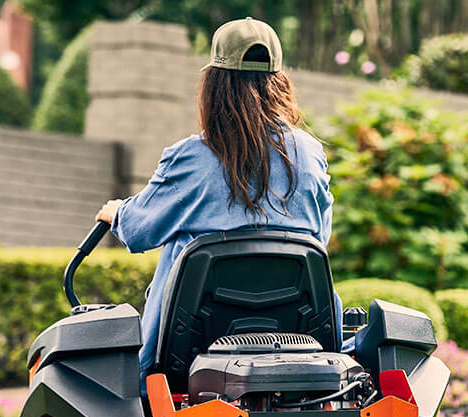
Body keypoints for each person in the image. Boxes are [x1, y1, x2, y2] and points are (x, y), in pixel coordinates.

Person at [95, 17, 339, 392]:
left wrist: (117, 213)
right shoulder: (309, 153)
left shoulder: (192, 157)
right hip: (304, 350)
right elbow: (318, 236)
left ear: (214, 84)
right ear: (279, 82)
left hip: (185, 364)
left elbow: (139, 231)